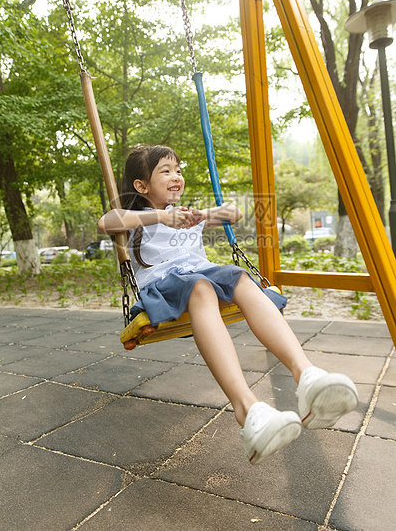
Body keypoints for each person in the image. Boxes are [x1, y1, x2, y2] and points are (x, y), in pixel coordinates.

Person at [98, 145, 358, 465]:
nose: (176, 176)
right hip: (166, 289)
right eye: (165, 171)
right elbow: (107, 220)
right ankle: (247, 410)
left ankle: (307, 377)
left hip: (200, 277)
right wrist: (164, 216)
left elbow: (233, 212)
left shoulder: (187, 216)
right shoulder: (138, 220)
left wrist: (202, 216)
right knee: (202, 288)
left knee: (240, 278)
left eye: (178, 170)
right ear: (142, 186)